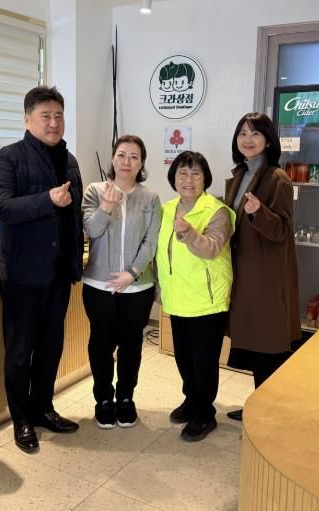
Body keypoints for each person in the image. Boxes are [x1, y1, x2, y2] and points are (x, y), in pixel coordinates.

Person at [0, 86, 84, 453]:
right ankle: (22, 419)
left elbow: (73, 217)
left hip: (58, 274)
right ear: (27, 120)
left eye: (58, 115)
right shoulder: (8, 157)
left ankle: (44, 407)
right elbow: (1, 207)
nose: (54, 122)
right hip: (22, 275)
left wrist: (74, 262)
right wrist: (47, 200)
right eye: (45, 116)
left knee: (50, 346)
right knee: (19, 350)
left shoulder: (70, 161)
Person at [224, 112, 300, 421]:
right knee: (255, 342)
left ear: (268, 141)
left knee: (267, 342)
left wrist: (259, 213)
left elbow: (283, 229)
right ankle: (259, 407)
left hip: (266, 276)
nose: (248, 139)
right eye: (242, 133)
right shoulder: (239, 175)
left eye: (255, 133)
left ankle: (268, 413)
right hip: (244, 271)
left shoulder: (277, 178)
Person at [81, 135, 161, 429]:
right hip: (98, 285)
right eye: (122, 155)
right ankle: (103, 399)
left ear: (141, 163)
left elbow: (151, 241)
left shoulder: (150, 197)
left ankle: (126, 397)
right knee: (101, 344)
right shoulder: (94, 191)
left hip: (137, 287)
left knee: (131, 344)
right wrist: (106, 206)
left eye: (134, 157)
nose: (127, 161)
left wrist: (133, 272)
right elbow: (91, 230)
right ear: (113, 159)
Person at [156, 151, 235, 442]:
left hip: (207, 301)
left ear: (205, 179)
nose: (188, 179)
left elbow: (212, 248)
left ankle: (204, 413)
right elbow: (161, 254)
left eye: (195, 173)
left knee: (204, 362)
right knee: (184, 358)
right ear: (174, 178)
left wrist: (189, 233)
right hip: (177, 299)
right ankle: (191, 400)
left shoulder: (217, 211)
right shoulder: (167, 209)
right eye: (182, 173)